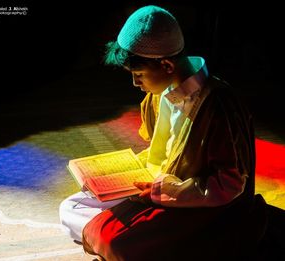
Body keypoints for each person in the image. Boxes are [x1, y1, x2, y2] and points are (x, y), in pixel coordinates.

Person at [59, 5, 268, 260]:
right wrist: (116, 174)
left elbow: (229, 184)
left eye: (139, 75)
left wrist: (167, 192)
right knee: (70, 208)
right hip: (155, 188)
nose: (136, 84)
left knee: (114, 241)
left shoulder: (218, 105)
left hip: (199, 207)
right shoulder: (162, 94)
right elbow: (165, 154)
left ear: (167, 65)